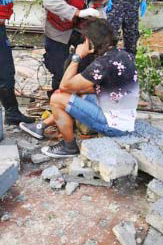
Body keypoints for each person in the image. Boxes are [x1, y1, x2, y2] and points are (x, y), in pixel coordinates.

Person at [19, 19, 139, 157]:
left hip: (114, 126)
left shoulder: (103, 63)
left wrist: (78, 56)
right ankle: (41, 126)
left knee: (57, 99)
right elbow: (87, 88)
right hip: (122, 118)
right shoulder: (122, 55)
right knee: (78, 92)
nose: (82, 42)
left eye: (84, 39)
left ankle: (69, 146)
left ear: (91, 41)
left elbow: (64, 85)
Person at [41, 0, 126, 99]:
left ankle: (79, 98)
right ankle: (58, 101)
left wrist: (105, 44)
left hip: (78, 29)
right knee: (58, 67)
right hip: (58, 28)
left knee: (87, 60)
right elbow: (49, 0)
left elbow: (100, 21)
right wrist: (78, 13)